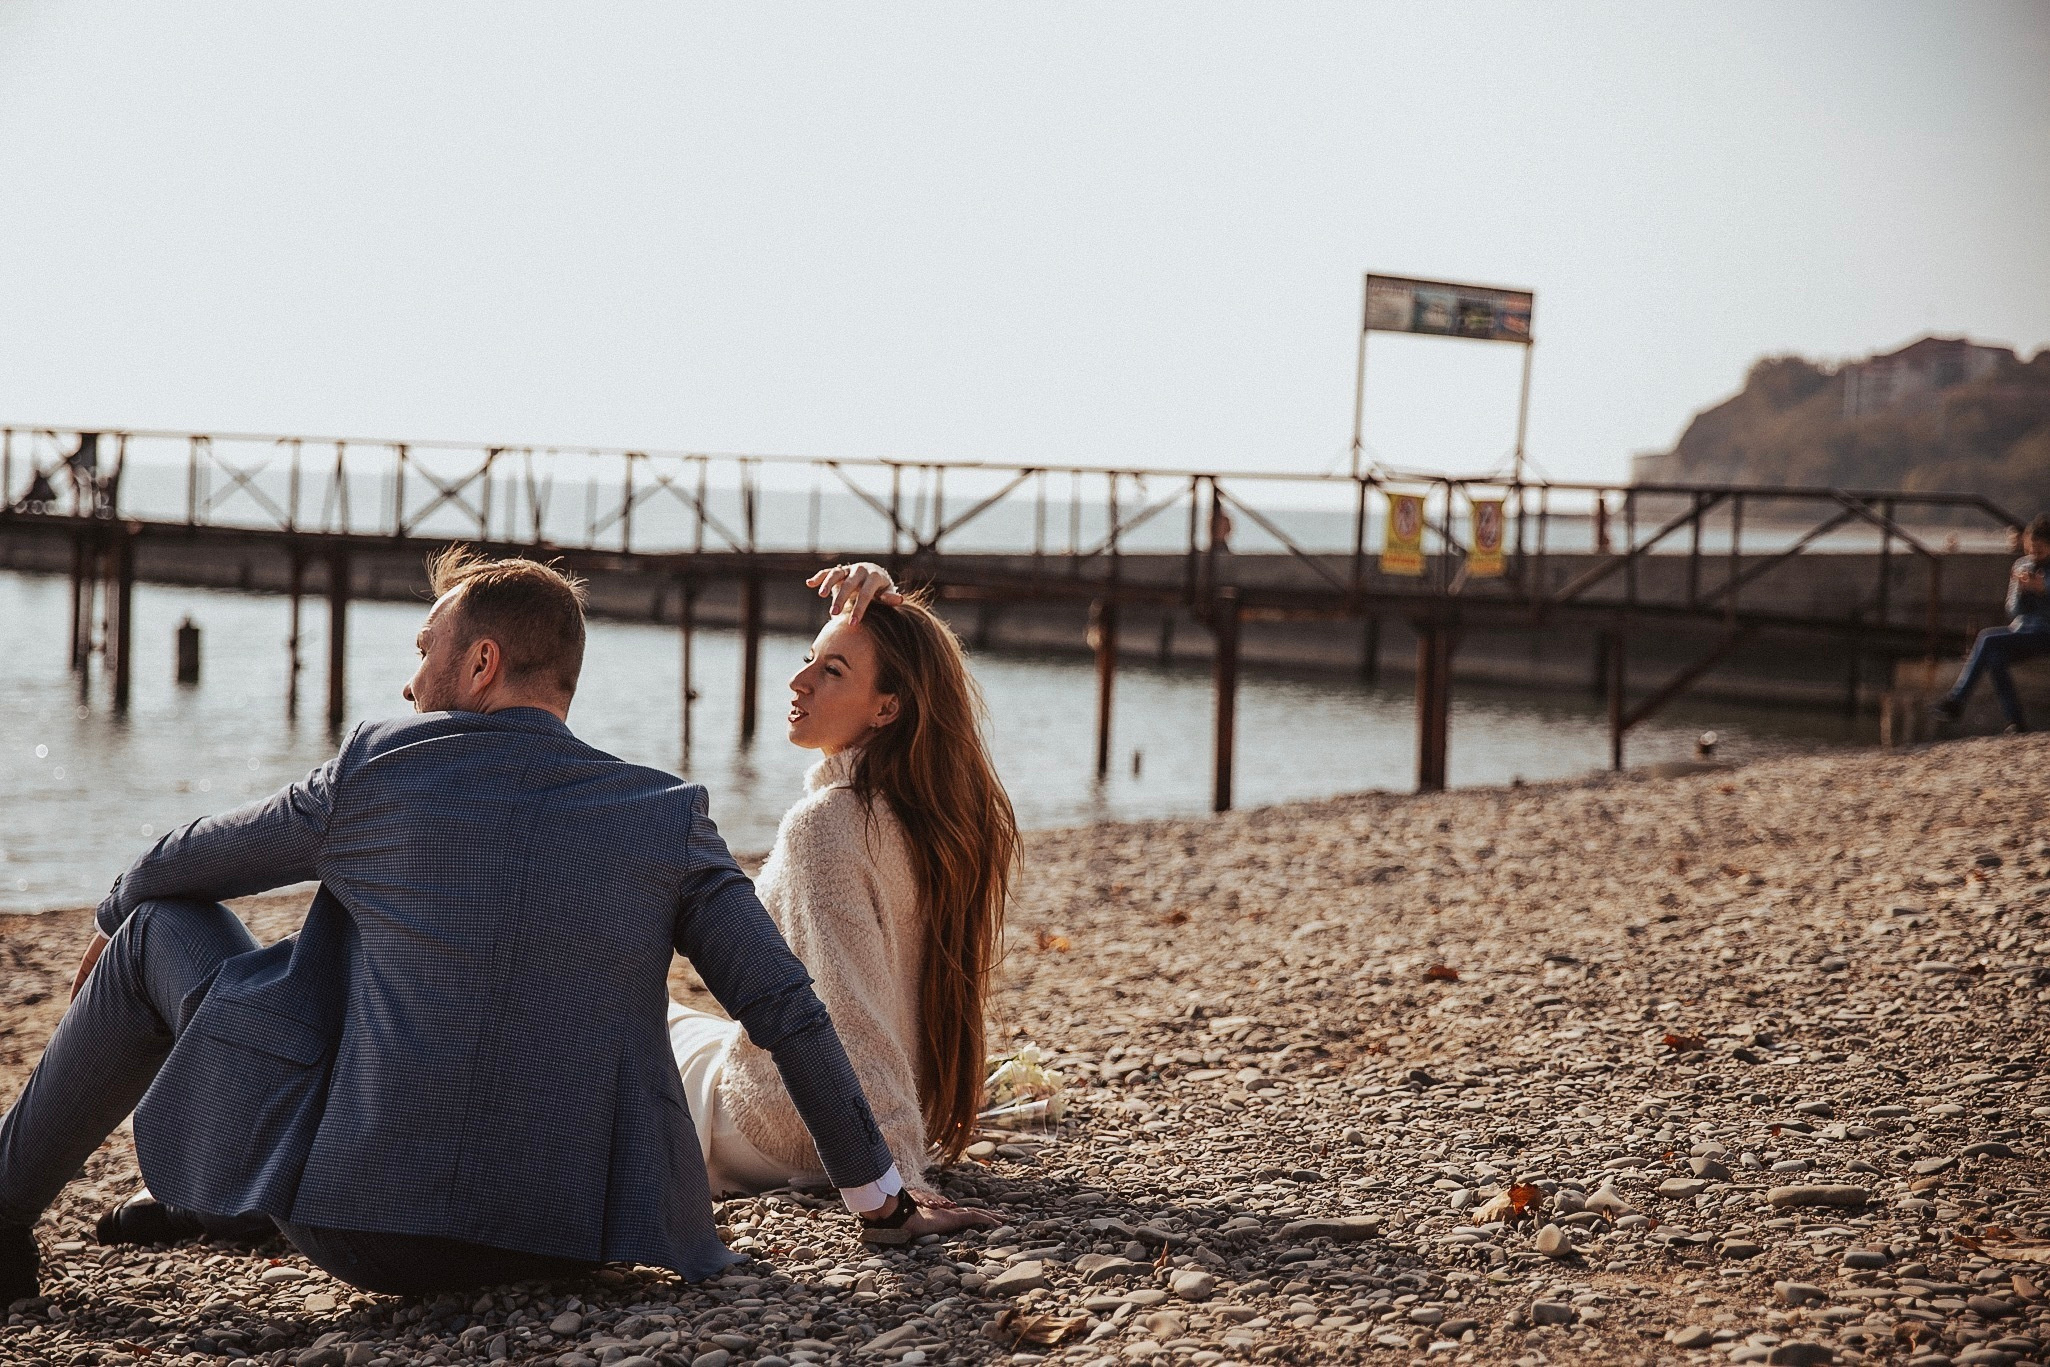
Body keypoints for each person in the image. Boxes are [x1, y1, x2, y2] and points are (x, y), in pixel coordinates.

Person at [0, 550, 968, 1303]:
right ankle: (221, 1199)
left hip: (368, 1232)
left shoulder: (383, 767)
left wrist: (113, 914)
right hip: (573, 1236)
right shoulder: (665, 811)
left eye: (425, 652)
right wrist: (875, 1195)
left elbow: (179, 864)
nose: (411, 684)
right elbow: (784, 1002)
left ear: (482, 659)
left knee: (157, 924)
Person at [666, 574, 1015, 1231]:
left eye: (832, 671)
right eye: (808, 660)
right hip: (876, 1114)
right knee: (677, 1019)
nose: (799, 683)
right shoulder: (937, 820)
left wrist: (896, 1183)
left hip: (778, 1124)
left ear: (887, 708)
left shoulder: (825, 825)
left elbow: (850, 1009)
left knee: (621, 1016)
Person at [1934, 515, 2050, 733]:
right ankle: (2015, 721)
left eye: (2041, 549)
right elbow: (2012, 610)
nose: (2035, 554)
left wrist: (2043, 588)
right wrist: (2021, 591)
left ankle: (1957, 699)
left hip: (2046, 633)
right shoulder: (2022, 565)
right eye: (2031, 548)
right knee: (1995, 658)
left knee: (1987, 637)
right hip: (2023, 631)